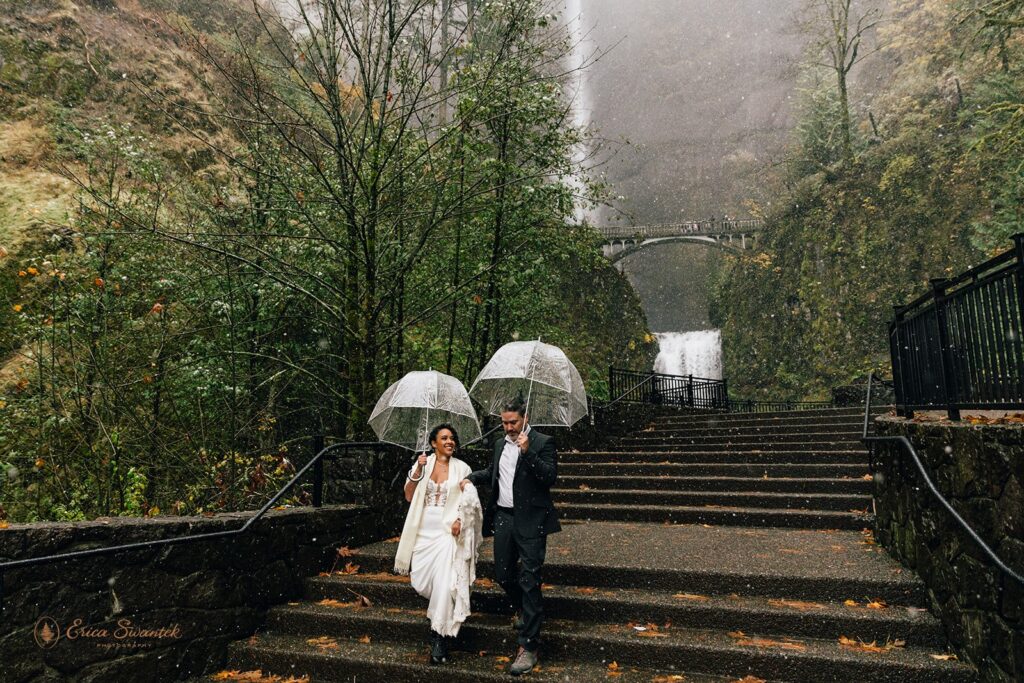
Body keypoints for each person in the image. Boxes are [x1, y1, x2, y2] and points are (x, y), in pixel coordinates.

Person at [460, 397, 559, 676]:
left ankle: (529, 646)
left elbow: (550, 477)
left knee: (530, 579)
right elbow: (494, 473)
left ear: (525, 418)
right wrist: (472, 477)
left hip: (532, 520)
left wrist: (528, 453)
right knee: (503, 575)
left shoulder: (542, 442)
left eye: (513, 422)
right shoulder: (499, 444)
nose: (508, 427)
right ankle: (527, 611)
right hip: (503, 517)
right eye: (504, 422)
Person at [394, 423, 483, 665]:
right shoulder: (422, 463)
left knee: (445, 582)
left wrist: (459, 519)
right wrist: (417, 471)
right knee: (425, 582)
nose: (450, 441)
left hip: (448, 533)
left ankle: (439, 637)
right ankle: (439, 617)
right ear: (433, 443)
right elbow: (409, 495)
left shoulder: (462, 468)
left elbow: (469, 501)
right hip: (422, 531)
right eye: (444, 438)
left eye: (452, 438)